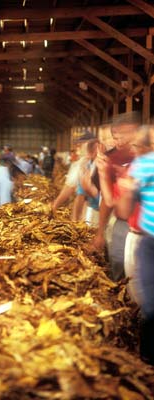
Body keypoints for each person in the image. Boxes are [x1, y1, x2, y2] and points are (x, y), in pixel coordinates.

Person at [114, 125, 154, 365]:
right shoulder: (142, 165)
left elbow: (123, 211)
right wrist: (127, 192)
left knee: (151, 306)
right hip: (149, 242)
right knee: (151, 307)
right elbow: (124, 211)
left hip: (148, 242)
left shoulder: (142, 165)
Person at [93, 112, 141, 281]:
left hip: (142, 231)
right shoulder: (113, 161)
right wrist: (103, 173)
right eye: (115, 137)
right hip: (127, 227)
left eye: (122, 137)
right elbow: (111, 202)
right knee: (121, 268)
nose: (116, 142)